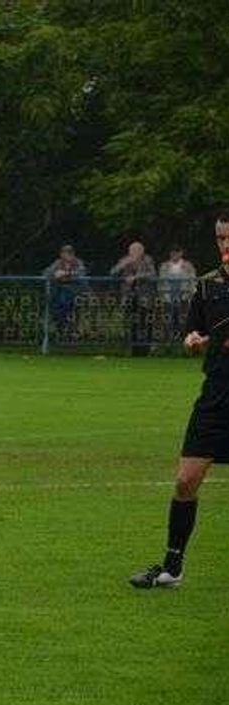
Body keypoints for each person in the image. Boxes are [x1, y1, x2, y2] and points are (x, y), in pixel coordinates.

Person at [130, 211, 229, 589]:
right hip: (216, 396)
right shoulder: (207, 286)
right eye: (220, 238)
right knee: (186, 482)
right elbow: (192, 334)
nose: (225, 245)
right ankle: (172, 568)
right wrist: (192, 342)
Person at [110, 241, 156, 356]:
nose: (134, 253)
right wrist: (123, 265)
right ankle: (132, 349)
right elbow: (113, 273)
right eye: (132, 250)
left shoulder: (147, 260)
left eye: (137, 250)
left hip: (144, 297)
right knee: (130, 323)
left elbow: (152, 274)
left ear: (142, 251)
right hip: (128, 296)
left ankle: (146, 349)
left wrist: (136, 277)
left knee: (145, 322)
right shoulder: (125, 260)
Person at [42, 244, 87, 340]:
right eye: (64, 253)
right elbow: (46, 273)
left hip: (73, 290)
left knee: (65, 300)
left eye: (69, 253)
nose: (66, 255)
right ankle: (61, 324)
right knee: (53, 301)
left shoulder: (78, 263)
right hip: (58, 289)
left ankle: (67, 325)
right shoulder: (58, 263)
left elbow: (81, 273)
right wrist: (54, 274)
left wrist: (66, 273)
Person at [158, 245, 197, 342]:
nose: (174, 254)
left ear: (181, 253)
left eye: (177, 252)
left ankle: (183, 343)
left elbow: (193, 281)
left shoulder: (188, 266)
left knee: (184, 322)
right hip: (168, 298)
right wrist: (163, 296)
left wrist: (189, 295)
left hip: (184, 297)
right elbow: (160, 283)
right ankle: (169, 344)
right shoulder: (164, 266)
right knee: (168, 322)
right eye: (172, 252)